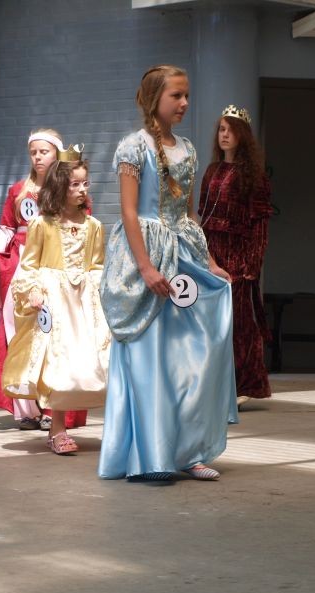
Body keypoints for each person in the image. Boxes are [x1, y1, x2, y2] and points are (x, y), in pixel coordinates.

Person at [98, 64, 238, 482]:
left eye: (186, 95)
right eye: (176, 95)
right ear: (153, 98)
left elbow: (189, 213)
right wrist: (145, 267)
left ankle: (188, 451)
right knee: (149, 361)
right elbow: (129, 212)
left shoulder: (189, 150)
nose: (185, 103)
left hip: (184, 256)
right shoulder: (133, 147)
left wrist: (209, 263)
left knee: (189, 358)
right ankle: (150, 457)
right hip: (146, 257)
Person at [1, 150, 109, 455]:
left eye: (85, 183)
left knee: (92, 360)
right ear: (60, 186)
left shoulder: (94, 226)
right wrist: (33, 291)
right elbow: (29, 265)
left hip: (83, 302)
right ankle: (57, 429)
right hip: (55, 301)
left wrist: (97, 289)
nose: (82, 190)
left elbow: (97, 265)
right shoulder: (42, 224)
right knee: (59, 362)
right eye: (75, 184)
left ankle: (115, 425)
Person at [0, 129, 87, 431]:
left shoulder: (70, 189)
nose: (38, 157)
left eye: (44, 151)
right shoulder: (19, 190)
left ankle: (53, 408)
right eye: (33, 152)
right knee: (20, 336)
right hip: (19, 267)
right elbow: (6, 229)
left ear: (57, 154)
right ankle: (27, 409)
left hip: (53, 266)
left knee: (52, 335)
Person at [199, 105, 273, 406]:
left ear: (242, 135)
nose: (224, 135)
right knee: (210, 321)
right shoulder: (211, 171)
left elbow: (260, 223)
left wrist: (252, 263)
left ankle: (245, 384)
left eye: (230, 130)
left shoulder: (253, 176)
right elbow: (202, 214)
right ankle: (214, 384)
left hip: (237, 255)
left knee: (239, 321)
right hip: (211, 252)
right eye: (221, 129)